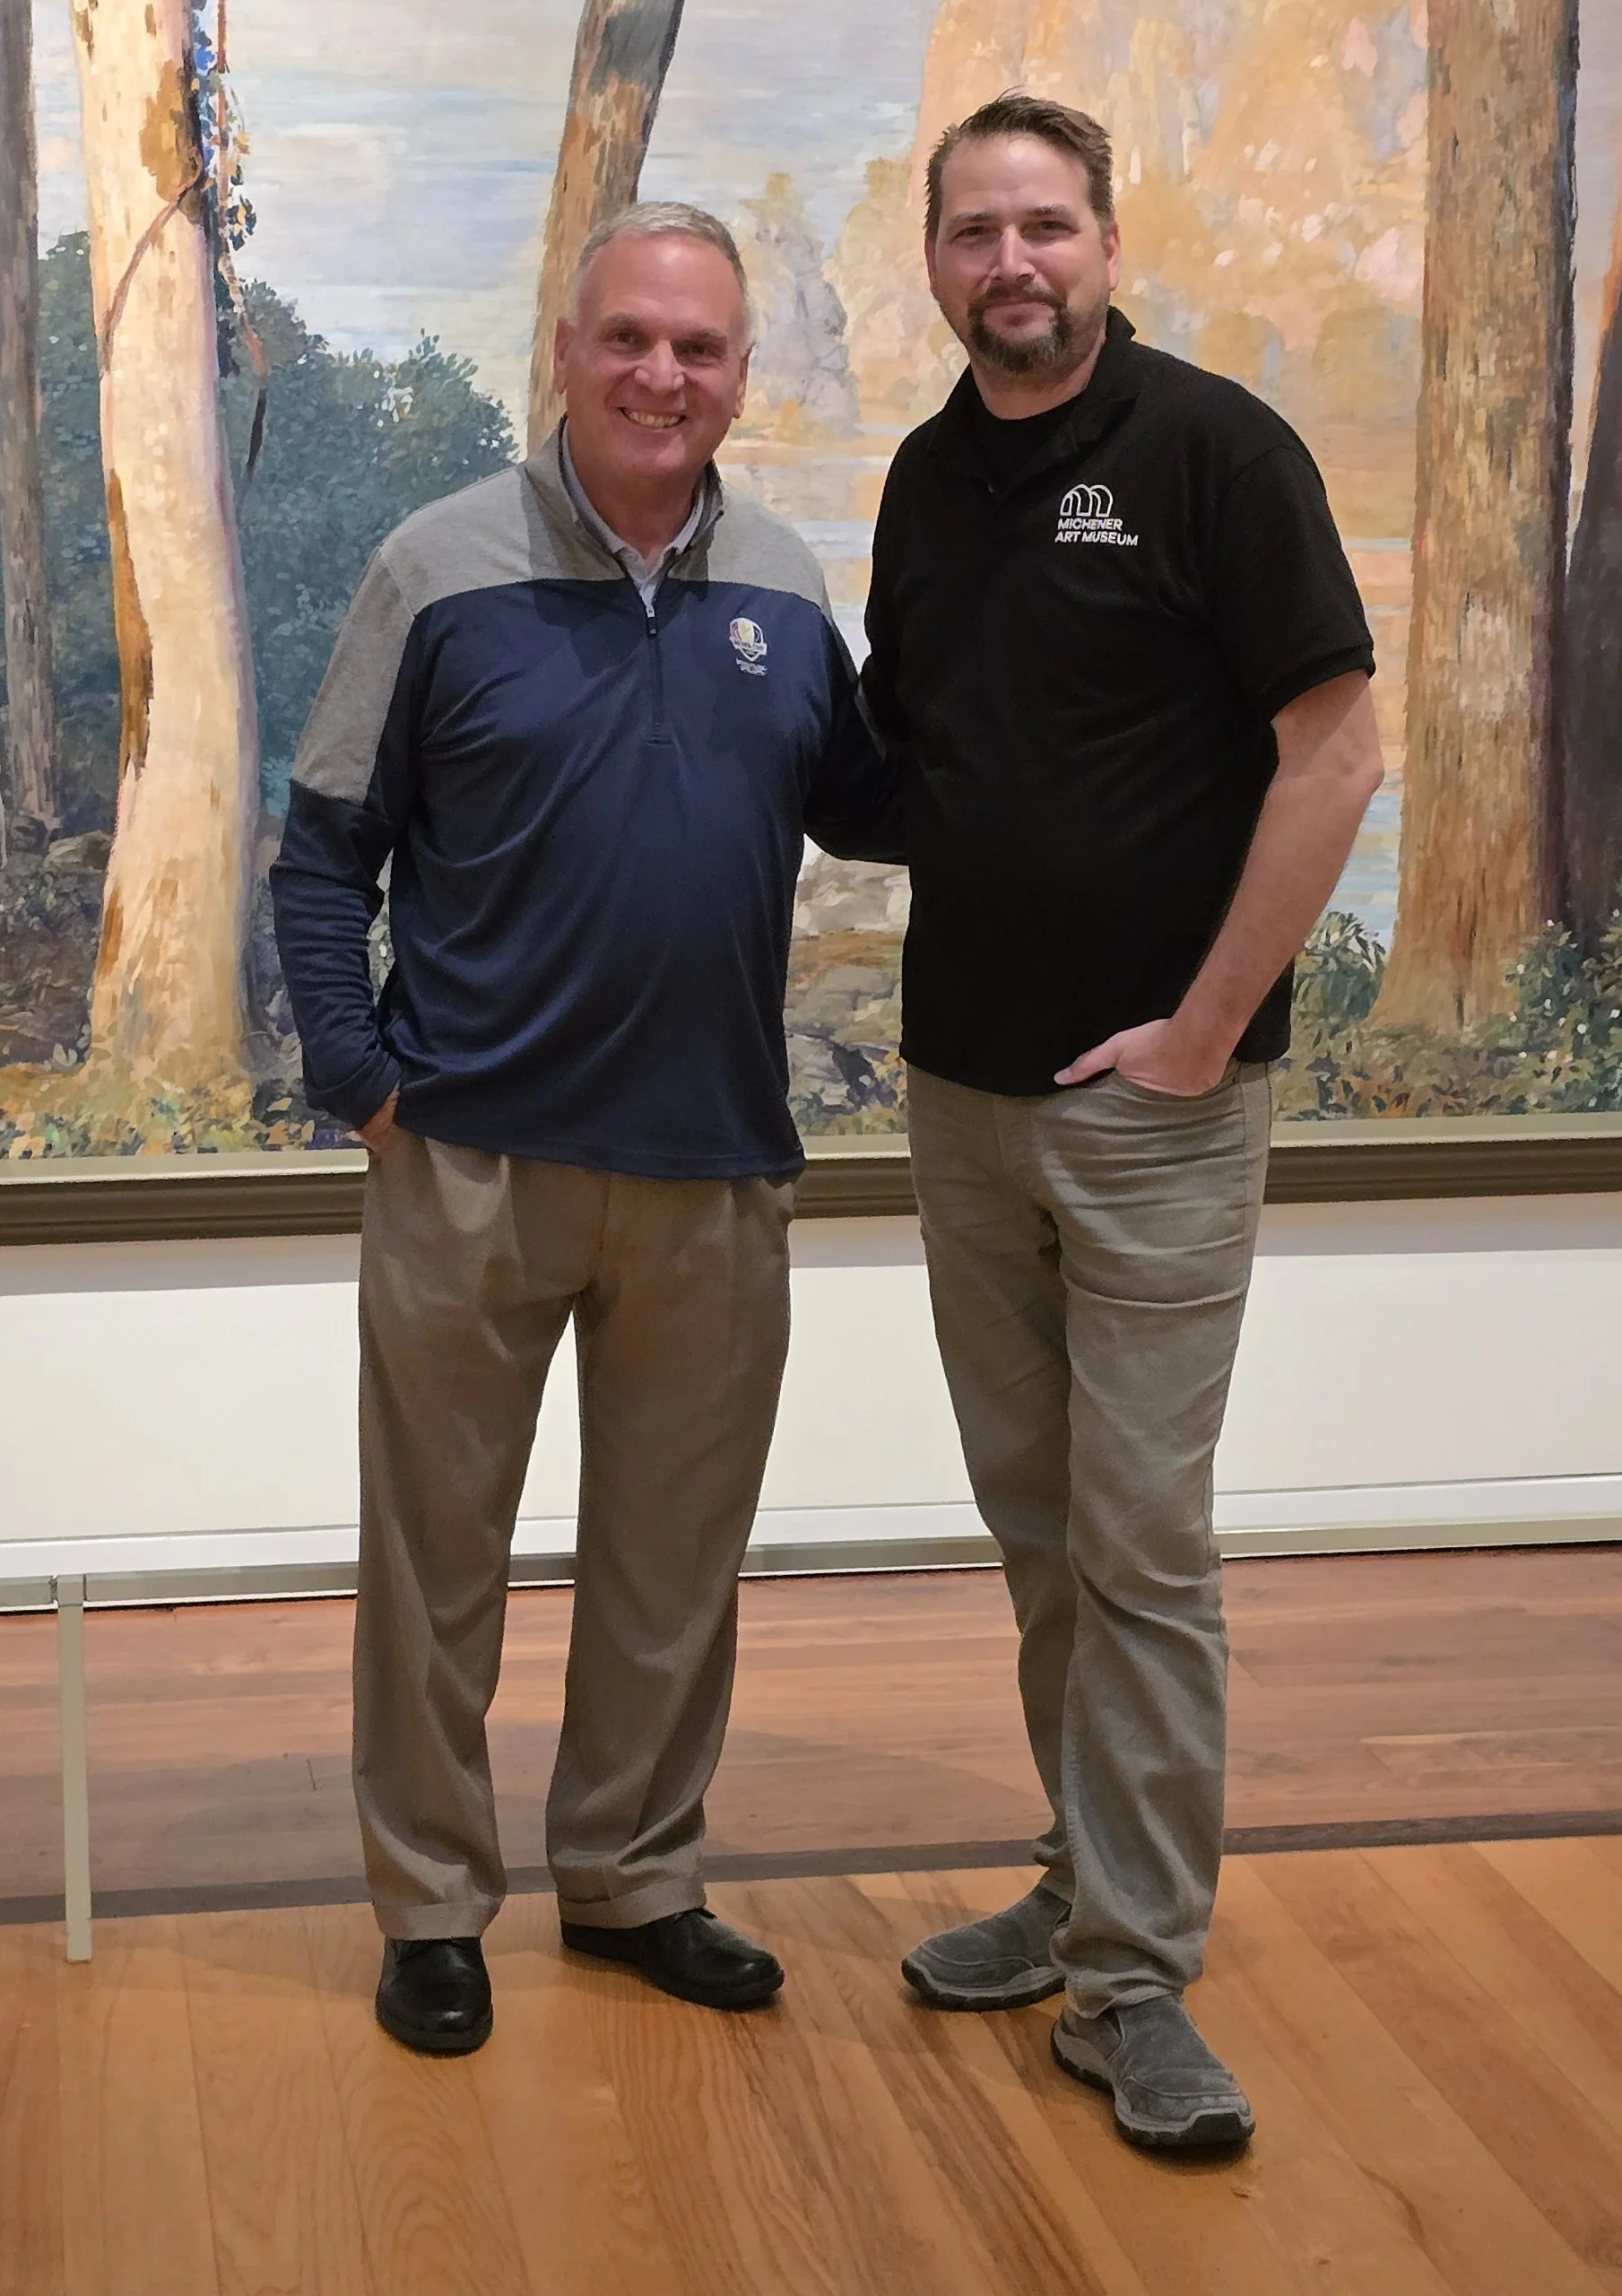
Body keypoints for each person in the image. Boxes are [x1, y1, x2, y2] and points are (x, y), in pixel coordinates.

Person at [271, 202, 896, 2056]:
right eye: (628, 337)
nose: (660, 375)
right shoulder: (435, 567)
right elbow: (323, 851)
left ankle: (632, 1875)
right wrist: (361, 1078)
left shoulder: (784, 586)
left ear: (741, 377)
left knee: (672, 1564)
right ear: (565, 351)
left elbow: (880, 806)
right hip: (469, 1160)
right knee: (435, 1564)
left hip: (714, 1166)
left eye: (698, 348)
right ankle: (431, 1905)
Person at [863, 95, 1383, 2152]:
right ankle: (1084, 1884)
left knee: (1144, 1543)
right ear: (936, 260)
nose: (1014, 261)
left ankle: (1138, 1982)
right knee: (1042, 1529)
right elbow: (913, 755)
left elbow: (1335, 754)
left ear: (1104, 241)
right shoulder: (925, 479)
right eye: (976, 229)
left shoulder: (1217, 454)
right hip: (960, 1099)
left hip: (1159, 1116)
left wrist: (1204, 1027)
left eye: (1047, 224)